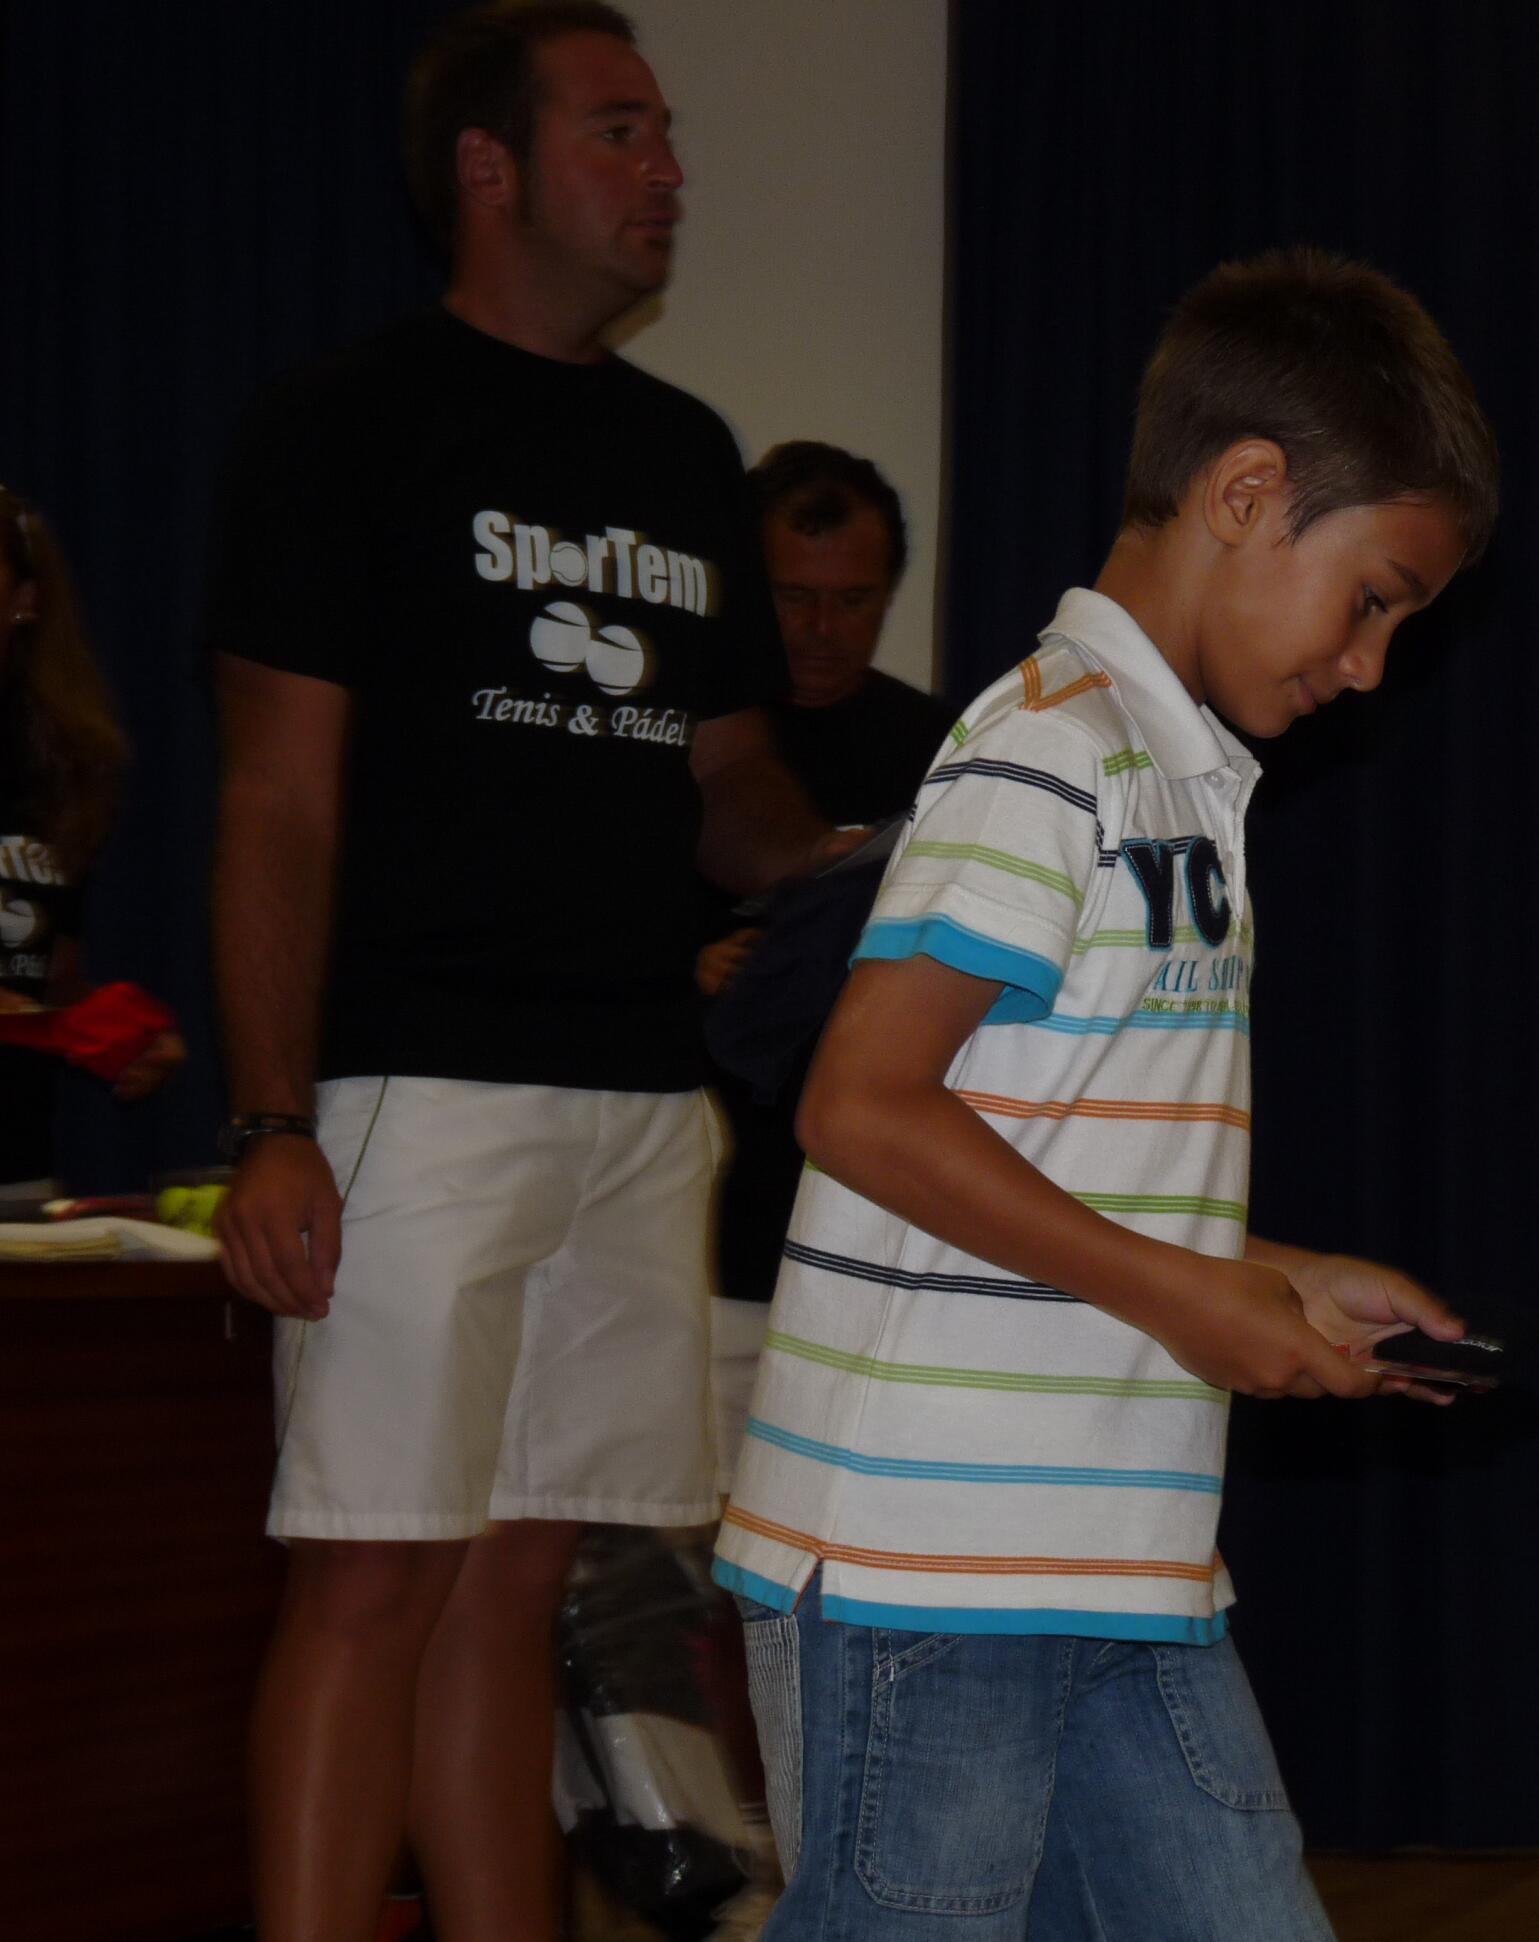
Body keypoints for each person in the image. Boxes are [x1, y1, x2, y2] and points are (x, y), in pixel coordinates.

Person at [715, 246, 1499, 1939]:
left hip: (1122, 1561)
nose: (1372, 665)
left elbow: (1053, 1151)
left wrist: (1268, 1274)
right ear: (1247, 492)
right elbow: (862, 1105)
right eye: (1373, 598)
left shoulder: (1182, 778)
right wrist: (1186, 1295)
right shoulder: (1048, 746)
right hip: (927, 1562)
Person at [204, 8, 839, 1937]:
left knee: (517, 1580)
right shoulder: (343, 423)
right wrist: (269, 1117)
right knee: (370, 1574)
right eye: (620, 131)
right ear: (488, 167)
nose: (669, 172)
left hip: (642, 1099)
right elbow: (277, 796)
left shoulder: (685, 451)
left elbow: (727, 781)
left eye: (668, 136)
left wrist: (866, 868)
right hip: (421, 1091)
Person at [699, 443, 950, 1453]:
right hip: (697, 1215)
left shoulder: (942, 749)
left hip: (876, 1224)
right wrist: (688, 969)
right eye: (793, 597)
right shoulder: (677, 737)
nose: (821, 629)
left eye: (853, 600)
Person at [0, 483, 182, 1195]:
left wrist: (116, 1033)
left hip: (16, 1175)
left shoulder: (59, 767)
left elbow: (40, 977)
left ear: (24, 598)